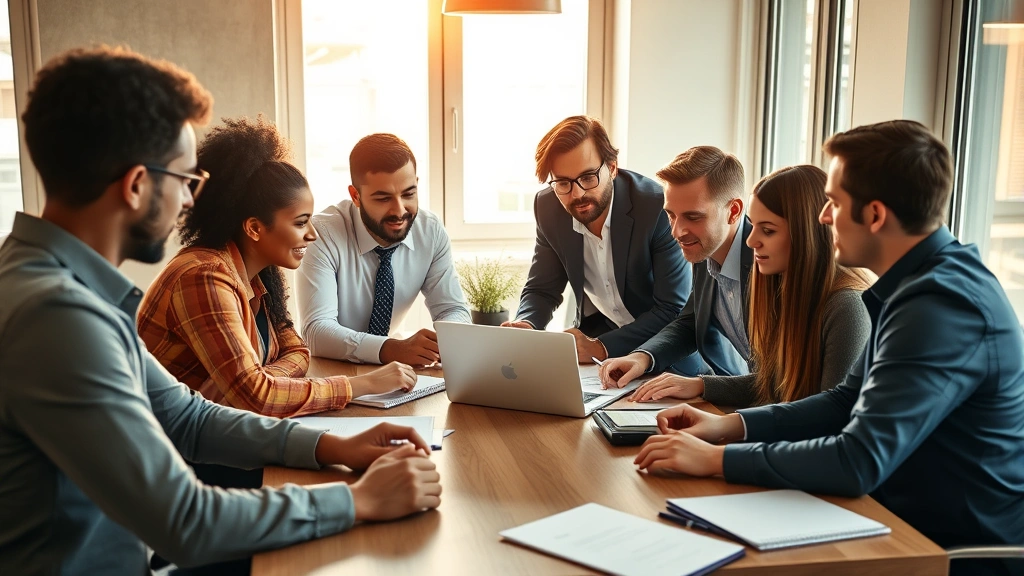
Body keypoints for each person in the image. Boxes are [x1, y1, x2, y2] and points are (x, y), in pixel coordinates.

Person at [0, 46, 441, 575]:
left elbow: (188, 417)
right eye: (188, 181)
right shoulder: (56, 316)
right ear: (138, 184)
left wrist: (332, 445)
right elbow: (184, 521)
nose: (192, 202)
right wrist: (359, 500)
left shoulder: (65, 290)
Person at [634, 120, 1024, 576]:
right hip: (899, 521)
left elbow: (857, 460)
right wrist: (728, 428)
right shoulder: (916, 287)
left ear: (875, 215)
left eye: (834, 203)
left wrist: (717, 460)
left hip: (947, 550)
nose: (822, 217)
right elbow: (843, 400)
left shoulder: (940, 305)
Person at [139, 117, 414, 419]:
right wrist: (361, 384)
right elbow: (258, 399)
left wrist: (263, 379)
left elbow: (298, 352)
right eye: (300, 222)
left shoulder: (259, 276)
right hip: (175, 452)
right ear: (255, 228)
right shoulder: (203, 277)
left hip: (223, 432)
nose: (313, 234)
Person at [629, 165, 872, 407]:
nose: (752, 239)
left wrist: (726, 429)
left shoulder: (848, 306)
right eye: (754, 225)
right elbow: (779, 384)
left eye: (767, 230)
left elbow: (823, 414)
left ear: (805, 233)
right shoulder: (716, 256)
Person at [502, 115, 702, 370]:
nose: (578, 194)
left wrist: (600, 347)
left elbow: (671, 309)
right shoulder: (548, 207)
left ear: (613, 167)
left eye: (588, 177)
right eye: (563, 183)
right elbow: (542, 289)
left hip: (666, 357)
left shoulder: (654, 206)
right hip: (601, 351)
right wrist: (526, 325)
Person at [296, 133, 470, 367]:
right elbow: (316, 331)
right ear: (355, 196)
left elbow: (452, 308)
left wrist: (447, 340)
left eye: (409, 194)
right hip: (330, 371)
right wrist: (390, 349)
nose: (399, 211)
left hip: (395, 372)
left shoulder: (430, 232)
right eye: (383, 198)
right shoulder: (322, 234)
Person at [598, 146, 753, 385]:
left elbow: (781, 381)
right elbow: (691, 321)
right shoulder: (706, 248)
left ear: (733, 211)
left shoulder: (766, 258)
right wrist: (642, 358)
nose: (676, 231)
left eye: (693, 217)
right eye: (671, 214)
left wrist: (702, 387)